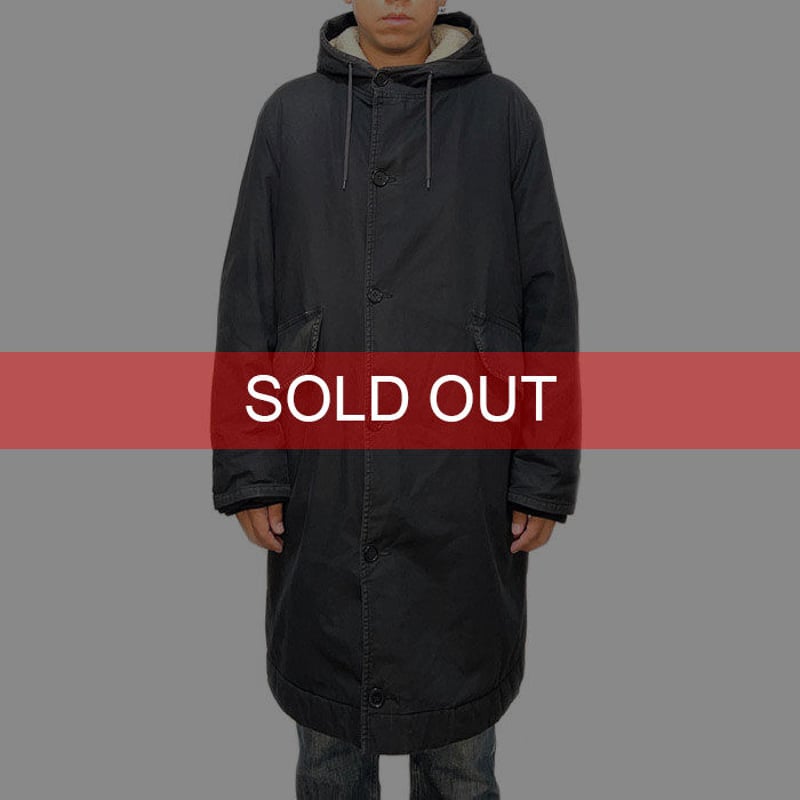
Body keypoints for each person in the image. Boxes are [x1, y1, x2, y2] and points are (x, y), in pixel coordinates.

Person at [212, 1, 580, 796]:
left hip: (465, 472)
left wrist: (543, 473)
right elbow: (250, 295)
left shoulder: (504, 114)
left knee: (459, 758)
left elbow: (547, 298)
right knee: (329, 756)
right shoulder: (291, 116)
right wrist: (250, 468)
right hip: (323, 469)